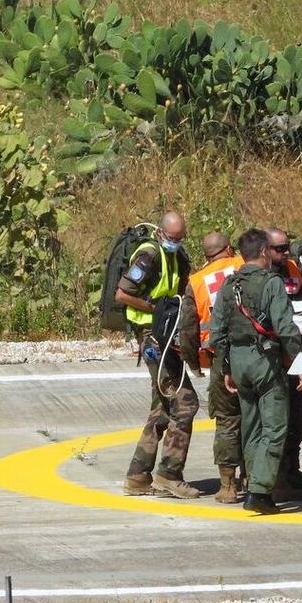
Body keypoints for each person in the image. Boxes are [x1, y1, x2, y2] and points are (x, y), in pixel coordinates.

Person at [209, 228, 302, 514]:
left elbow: (217, 333)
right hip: (264, 361)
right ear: (264, 251)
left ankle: (253, 482)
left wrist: (227, 367)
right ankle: (259, 491)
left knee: (250, 427)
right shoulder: (272, 283)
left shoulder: (229, 285)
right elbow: (285, 327)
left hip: (238, 362)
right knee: (274, 427)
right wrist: (299, 362)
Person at [116, 211, 200, 499]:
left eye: (180, 238)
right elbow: (122, 294)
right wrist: (155, 309)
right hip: (153, 337)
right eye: (172, 238)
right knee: (185, 404)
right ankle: (169, 475)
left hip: (166, 335)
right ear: (160, 233)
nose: (176, 242)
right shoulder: (148, 255)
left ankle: (138, 476)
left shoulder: (176, 256)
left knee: (162, 409)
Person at [178, 232, 244, 503]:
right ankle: (256, 479)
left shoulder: (195, 282)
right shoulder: (245, 264)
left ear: (205, 255)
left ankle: (228, 487)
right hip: (255, 355)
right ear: (228, 248)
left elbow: (187, 330)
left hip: (221, 360)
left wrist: (193, 363)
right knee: (256, 419)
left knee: (227, 421)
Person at [265, 227, 302, 495]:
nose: (286, 253)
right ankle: (271, 477)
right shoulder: (257, 276)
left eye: (288, 247)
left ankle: (291, 471)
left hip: (295, 348)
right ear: (265, 250)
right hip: (271, 354)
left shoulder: (295, 270)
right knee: (273, 419)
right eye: (280, 249)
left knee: (296, 415)